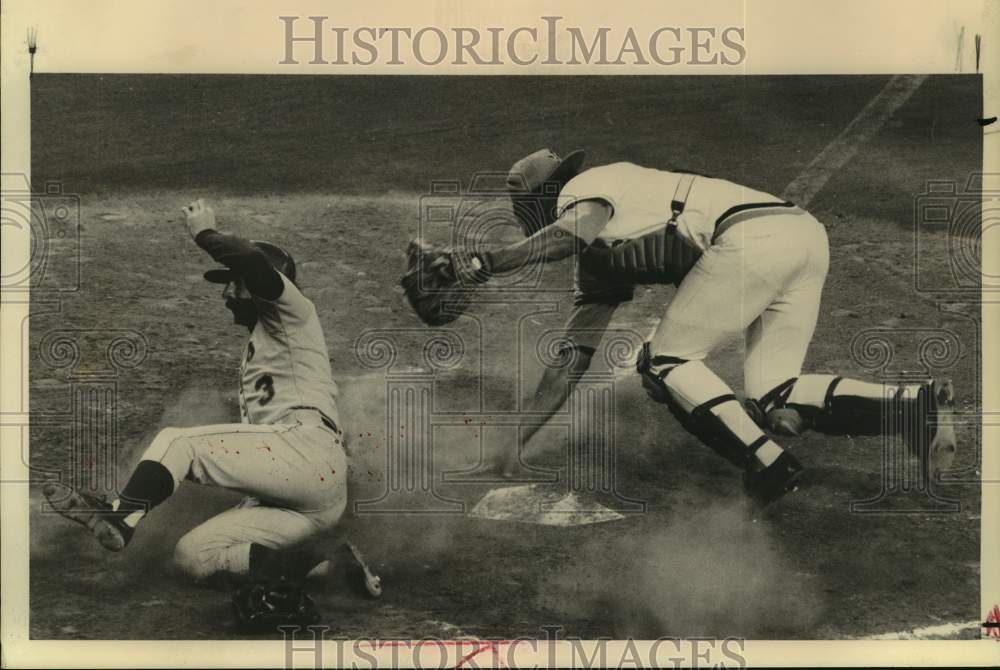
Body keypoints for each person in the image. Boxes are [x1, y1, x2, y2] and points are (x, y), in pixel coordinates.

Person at [465, 149, 957, 506]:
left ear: (542, 197)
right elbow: (572, 357)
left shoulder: (585, 190)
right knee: (776, 399)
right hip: (802, 238)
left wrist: (485, 262)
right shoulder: (596, 260)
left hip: (754, 239)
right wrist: (517, 438)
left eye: (526, 205)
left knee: (662, 362)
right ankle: (913, 407)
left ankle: (767, 463)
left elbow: (570, 233)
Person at [45, 199, 379, 599]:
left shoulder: (293, 312)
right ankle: (329, 564)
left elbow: (256, 266)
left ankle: (121, 515)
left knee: (179, 442)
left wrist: (205, 233)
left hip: (306, 454)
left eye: (232, 282)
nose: (225, 293)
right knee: (193, 558)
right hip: (306, 499)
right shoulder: (269, 339)